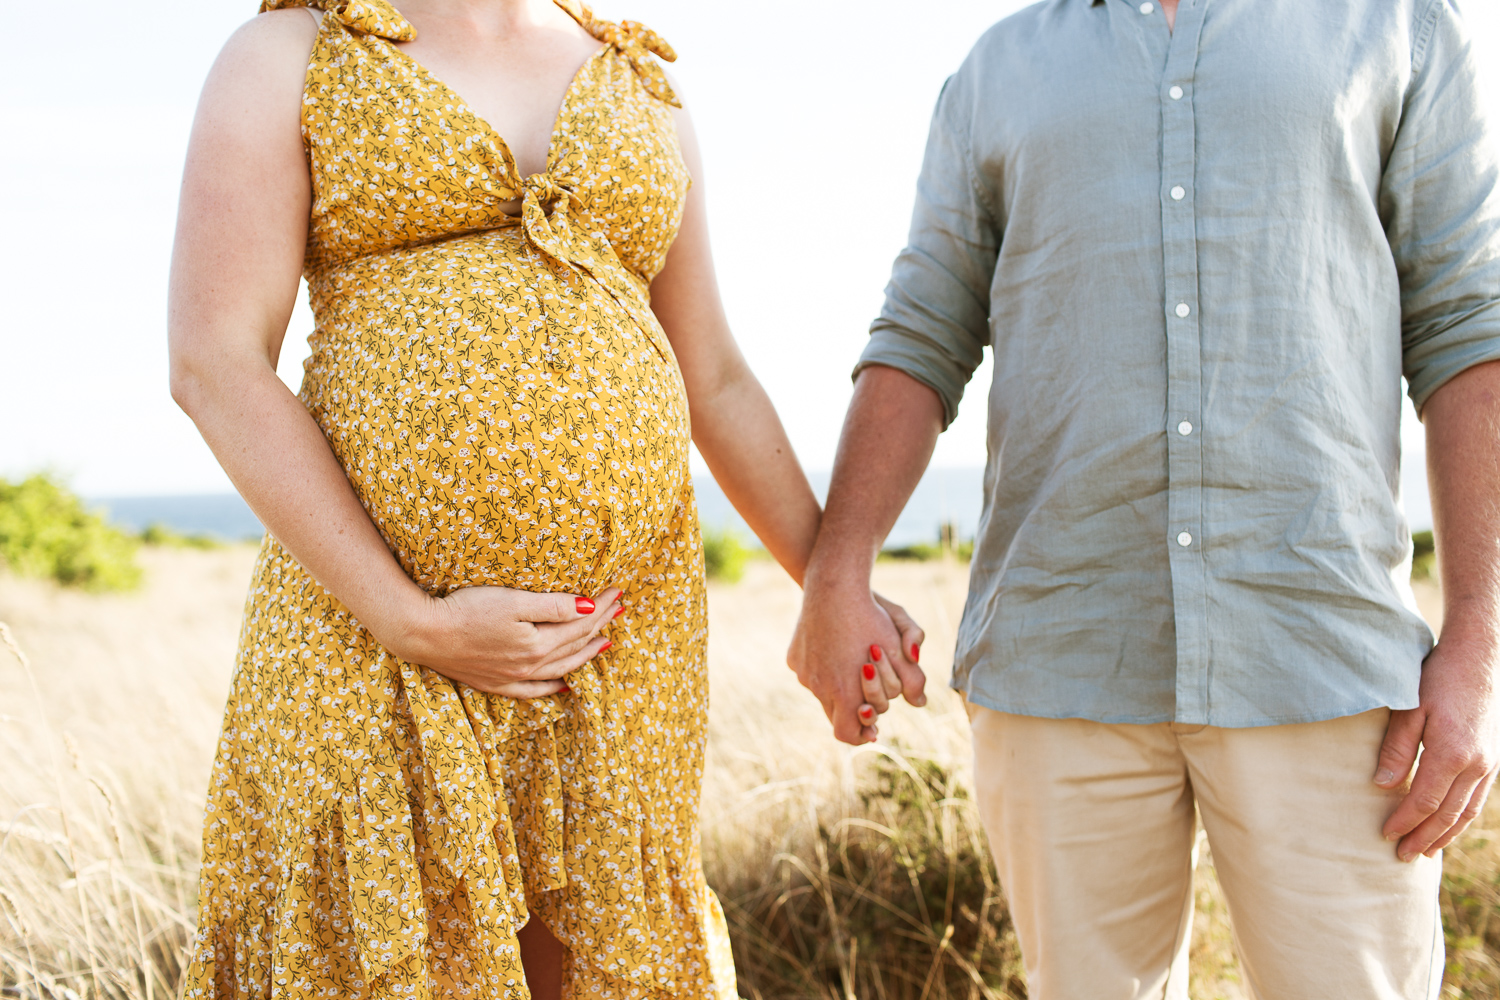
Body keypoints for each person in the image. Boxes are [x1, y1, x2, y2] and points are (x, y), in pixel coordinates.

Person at [166, 1, 922, 997]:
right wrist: (412, 618)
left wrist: (831, 580)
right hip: (375, 642)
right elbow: (213, 360)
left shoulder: (637, 73)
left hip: (615, 658)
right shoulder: (290, 54)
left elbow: (717, 378)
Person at [789, 0, 1500, 995]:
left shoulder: (1401, 28)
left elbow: (1468, 330)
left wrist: (1481, 635)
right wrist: (837, 570)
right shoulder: (998, 69)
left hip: (1325, 662)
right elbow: (919, 331)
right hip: (1055, 658)